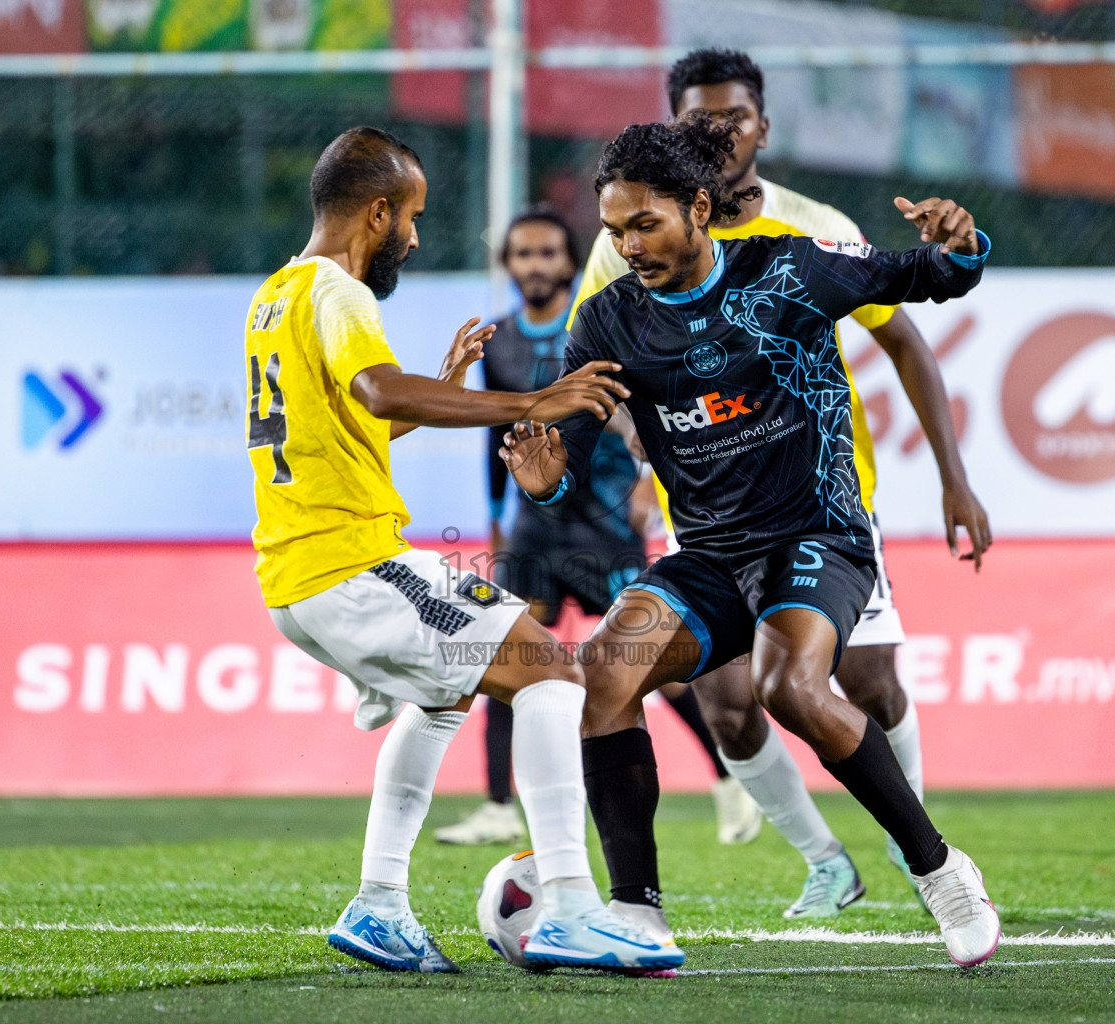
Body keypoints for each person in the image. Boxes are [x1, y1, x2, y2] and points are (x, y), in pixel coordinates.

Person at [503, 114, 1001, 967]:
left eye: (645, 224)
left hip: (821, 535)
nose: (628, 245)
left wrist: (961, 243)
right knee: (606, 674)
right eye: (615, 230)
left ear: (699, 209)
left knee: (787, 686)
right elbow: (569, 462)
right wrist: (546, 475)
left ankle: (941, 869)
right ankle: (639, 913)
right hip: (710, 557)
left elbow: (926, 276)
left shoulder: (789, 267)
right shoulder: (606, 324)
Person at [245, 125, 682, 973]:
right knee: (554, 669)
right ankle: (568, 906)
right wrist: (539, 399)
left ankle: (379, 905)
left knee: (447, 698)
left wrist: (440, 390)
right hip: (350, 562)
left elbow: (361, 417)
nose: (412, 235)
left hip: (298, 575)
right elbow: (378, 387)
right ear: (375, 212)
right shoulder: (339, 294)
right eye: (408, 216)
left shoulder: (275, 295)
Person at [434, 206, 760, 847]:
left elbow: (649, 410)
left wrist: (647, 481)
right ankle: (499, 803)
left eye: (547, 253)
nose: (535, 265)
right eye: (523, 254)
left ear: (568, 260)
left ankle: (729, 779)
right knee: (507, 651)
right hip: (534, 528)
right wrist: (498, 518)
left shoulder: (599, 323)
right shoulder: (498, 341)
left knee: (645, 659)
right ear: (510, 265)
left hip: (603, 525)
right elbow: (497, 439)